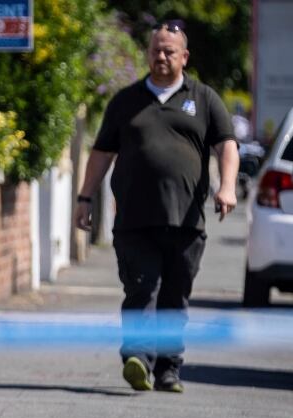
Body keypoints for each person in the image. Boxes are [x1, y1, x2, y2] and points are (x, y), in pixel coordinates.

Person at [73, 20, 239, 393]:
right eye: (155, 51)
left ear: (184, 56)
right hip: (134, 218)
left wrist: (227, 187)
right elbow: (101, 153)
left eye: (169, 51)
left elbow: (227, 145)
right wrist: (84, 197)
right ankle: (137, 360)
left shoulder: (205, 98)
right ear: (148, 54)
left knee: (174, 297)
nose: (161, 57)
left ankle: (168, 369)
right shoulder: (126, 101)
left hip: (187, 221)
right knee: (141, 290)